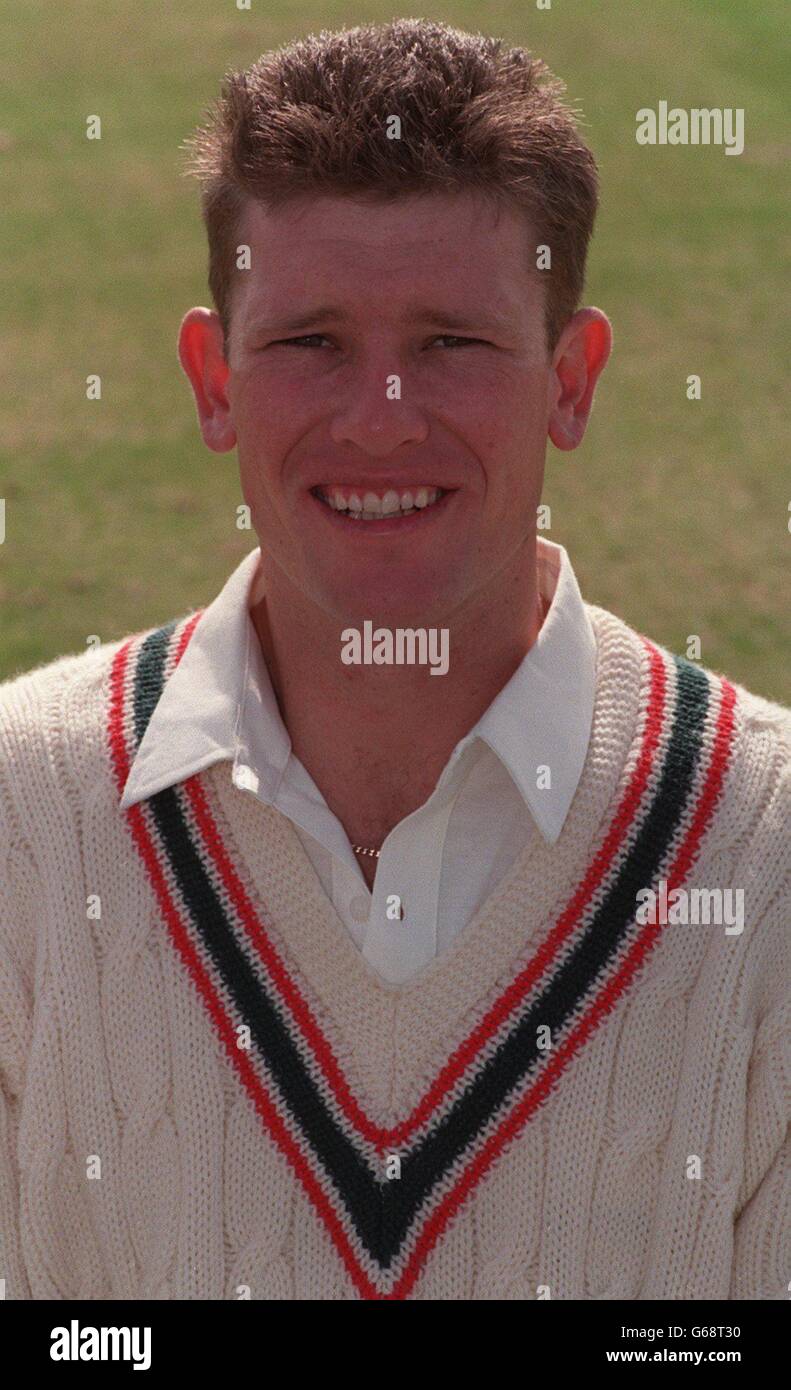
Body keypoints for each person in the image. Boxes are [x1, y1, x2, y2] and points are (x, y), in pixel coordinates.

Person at [0, 18, 787, 1301]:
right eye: (311, 341)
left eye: (451, 344)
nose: (381, 419)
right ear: (214, 380)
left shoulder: (761, 850)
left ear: (569, 382)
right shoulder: (23, 818)